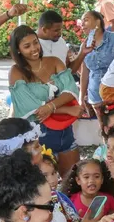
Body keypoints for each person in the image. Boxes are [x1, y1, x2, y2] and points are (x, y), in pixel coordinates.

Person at [8, 25, 82, 175]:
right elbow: (29, 107)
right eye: (27, 46)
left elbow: (71, 90)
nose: (34, 48)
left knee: (72, 180)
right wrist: (65, 108)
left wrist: (50, 107)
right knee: (42, 184)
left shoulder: (54, 61)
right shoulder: (15, 71)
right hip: (36, 134)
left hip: (64, 128)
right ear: (18, 50)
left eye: (35, 42)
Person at [78, 10, 114, 120]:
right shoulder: (84, 45)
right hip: (95, 96)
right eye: (81, 21)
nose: (82, 24)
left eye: (85, 20)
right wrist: (81, 98)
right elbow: (84, 74)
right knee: (104, 130)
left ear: (98, 22)